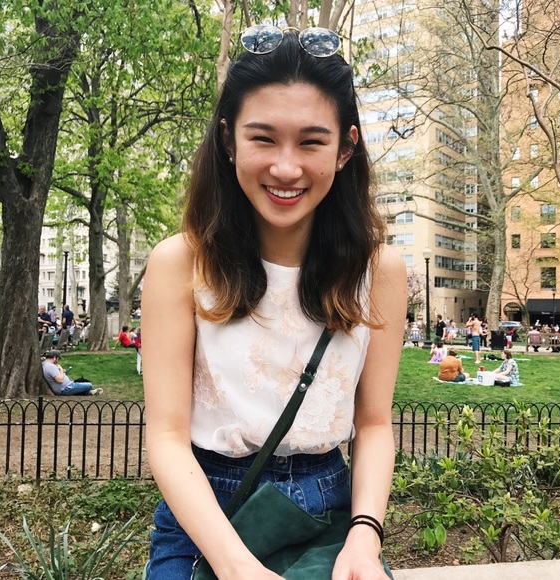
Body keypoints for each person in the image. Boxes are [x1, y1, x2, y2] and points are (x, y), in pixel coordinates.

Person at [141, 27, 406, 580]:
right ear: (228, 140)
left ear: (346, 148)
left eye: (311, 142)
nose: (286, 168)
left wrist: (365, 536)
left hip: (328, 515)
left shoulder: (379, 271)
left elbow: (374, 423)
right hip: (207, 513)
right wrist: (234, 565)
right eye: (263, 138)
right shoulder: (179, 263)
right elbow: (165, 438)